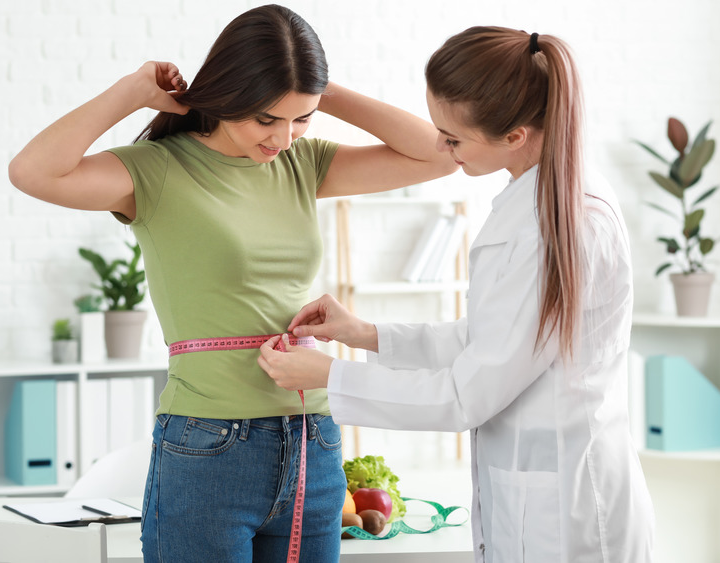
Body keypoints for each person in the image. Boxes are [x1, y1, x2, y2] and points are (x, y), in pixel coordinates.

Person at [9, 5, 457, 563]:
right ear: (227, 96)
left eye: (301, 120)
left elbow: (441, 156)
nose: (283, 138)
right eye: (266, 119)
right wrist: (131, 92)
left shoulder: (303, 163)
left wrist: (319, 91)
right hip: (208, 446)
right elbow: (33, 172)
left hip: (312, 438)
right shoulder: (155, 170)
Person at [258, 26, 655, 562]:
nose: (442, 148)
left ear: (514, 135)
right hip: (535, 495)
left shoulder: (565, 222)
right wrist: (364, 334)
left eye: (453, 138)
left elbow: (466, 395)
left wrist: (330, 378)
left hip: (568, 514)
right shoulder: (534, 198)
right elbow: (491, 341)